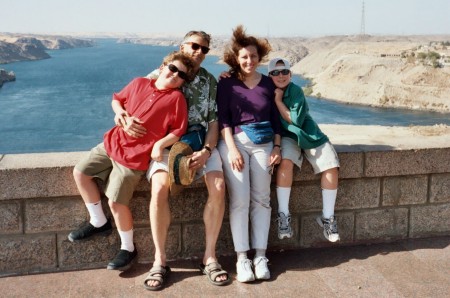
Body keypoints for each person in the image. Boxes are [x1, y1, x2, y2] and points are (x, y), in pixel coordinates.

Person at [68, 51, 194, 272]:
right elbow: (117, 99)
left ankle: (128, 248)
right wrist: (120, 115)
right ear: (163, 66)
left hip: (135, 157)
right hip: (112, 143)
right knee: (81, 172)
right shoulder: (139, 83)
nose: (175, 75)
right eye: (173, 69)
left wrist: (159, 145)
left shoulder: (176, 99)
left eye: (181, 75)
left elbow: (178, 130)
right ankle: (98, 221)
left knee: (116, 202)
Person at [143, 30, 230, 291]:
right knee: (158, 189)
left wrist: (206, 151)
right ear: (182, 46)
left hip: (200, 142)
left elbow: (214, 121)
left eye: (204, 49)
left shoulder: (209, 81)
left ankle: (210, 257)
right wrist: (120, 115)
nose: (199, 52)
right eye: (194, 46)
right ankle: (160, 260)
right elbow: (134, 96)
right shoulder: (165, 72)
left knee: (218, 187)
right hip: (168, 144)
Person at [216, 25, 282, 283]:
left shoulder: (268, 83)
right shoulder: (226, 84)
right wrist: (231, 149)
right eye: (244, 57)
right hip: (236, 143)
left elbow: (275, 119)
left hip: (264, 144)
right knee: (240, 201)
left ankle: (260, 256)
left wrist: (277, 147)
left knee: (262, 200)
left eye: (253, 56)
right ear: (236, 58)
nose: (249, 61)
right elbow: (223, 121)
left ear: (259, 57)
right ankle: (242, 258)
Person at [268, 57, 340, 242]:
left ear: (290, 74)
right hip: (286, 136)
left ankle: (327, 218)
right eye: (276, 72)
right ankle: (283, 216)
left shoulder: (296, 91)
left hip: (308, 134)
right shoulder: (265, 89)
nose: (281, 75)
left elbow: (296, 120)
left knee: (330, 165)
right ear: (269, 76)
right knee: (285, 162)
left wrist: (277, 100)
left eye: (285, 72)